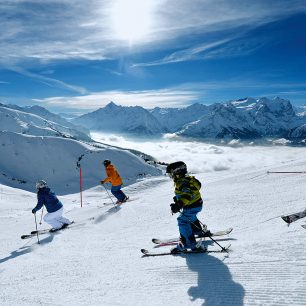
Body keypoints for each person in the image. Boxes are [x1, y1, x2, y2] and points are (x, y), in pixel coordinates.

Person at [166, 161, 211, 253]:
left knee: (182, 220)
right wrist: (179, 199)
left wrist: (179, 204)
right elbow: (191, 191)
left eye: (171, 174)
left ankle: (188, 244)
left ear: (176, 172)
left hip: (191, 205)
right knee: (190, 217)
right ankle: (197, 231)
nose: (171, 176)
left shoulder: (182, 182)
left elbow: (187, 194)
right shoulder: (187, 179)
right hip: (196, 204)